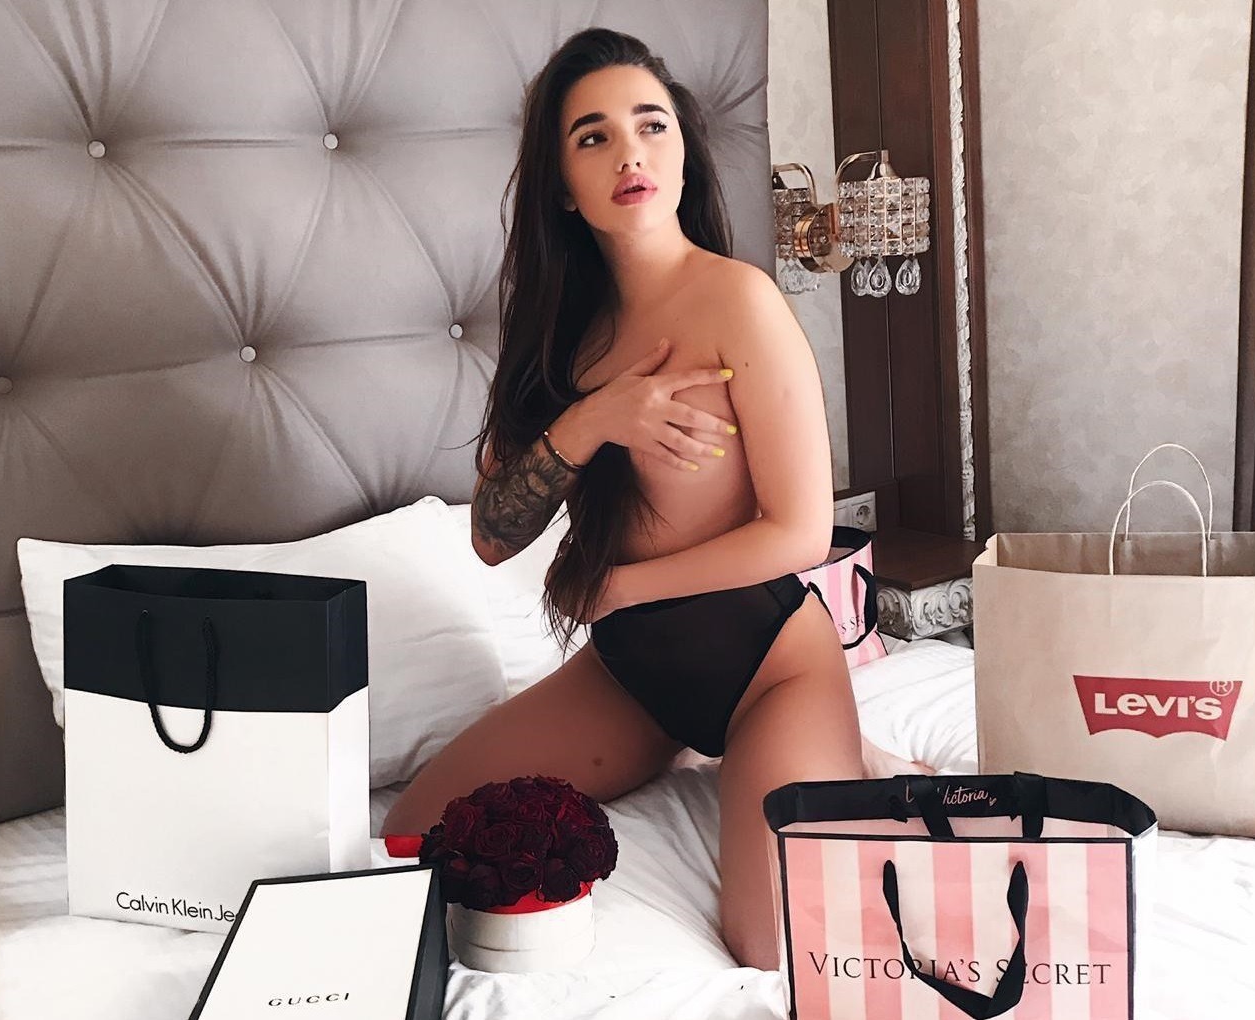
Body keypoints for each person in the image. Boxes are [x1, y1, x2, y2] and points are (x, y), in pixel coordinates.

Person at [382, 26, 926, 971]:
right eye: (592, 136)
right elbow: (491, 537)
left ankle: (845, 751)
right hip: (634, 678)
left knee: (771, 945)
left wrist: (622, 589)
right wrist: (598, 418)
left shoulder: (739, 301)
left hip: (768, 668)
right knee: (415, 831)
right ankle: (715, 750)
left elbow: (801, 530)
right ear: (563, 184)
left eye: (651, 125)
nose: (629, 153)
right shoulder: (558, 333)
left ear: (682, 152)